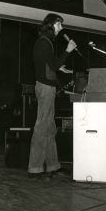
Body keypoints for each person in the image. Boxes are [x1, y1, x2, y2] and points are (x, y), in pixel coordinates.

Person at [28, 13, 76, 178]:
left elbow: (48, 63)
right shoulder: (44, 42)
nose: (61, 27)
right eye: (58, 24)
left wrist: (59, 67)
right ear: (50, 25)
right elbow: (53, 65)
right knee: (42, 127)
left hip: (47, 87)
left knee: (49, 128)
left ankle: (53, 165)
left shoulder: (45, 42)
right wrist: (68, 51)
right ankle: (35, 168)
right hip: (46, 88)